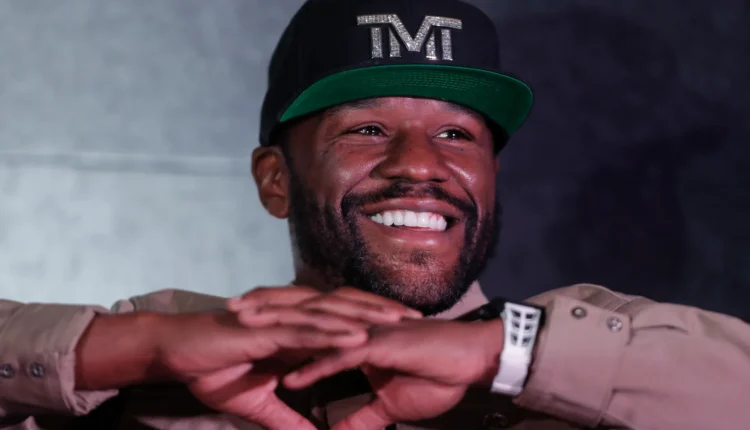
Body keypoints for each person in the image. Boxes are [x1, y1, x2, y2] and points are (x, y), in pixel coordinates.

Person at [1, 0, 748, 428]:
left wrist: (503, 356)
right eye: (366, 129)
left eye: (456, 135)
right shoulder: (141, 369)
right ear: (275, 181)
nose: (420, 165)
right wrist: (141, 350)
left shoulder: (598, 355)